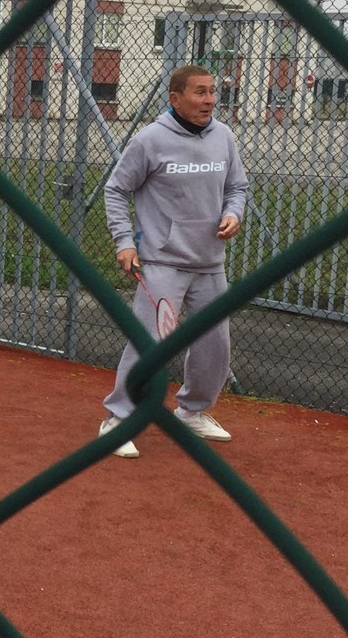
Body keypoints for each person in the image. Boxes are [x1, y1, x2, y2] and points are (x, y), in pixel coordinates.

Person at [99, 64, 248, 458]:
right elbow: (116, 190)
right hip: (162, 262)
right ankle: (118, 418)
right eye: (200, 92)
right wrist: (124, 242)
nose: (210, 100)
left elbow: (237, 187)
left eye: (213, 91)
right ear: (175, 98)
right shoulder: (149, 140)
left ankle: (191, 411)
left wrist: (233, 213)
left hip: (210, 263)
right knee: (149, 343)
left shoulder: (224, 137)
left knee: (215, 344)